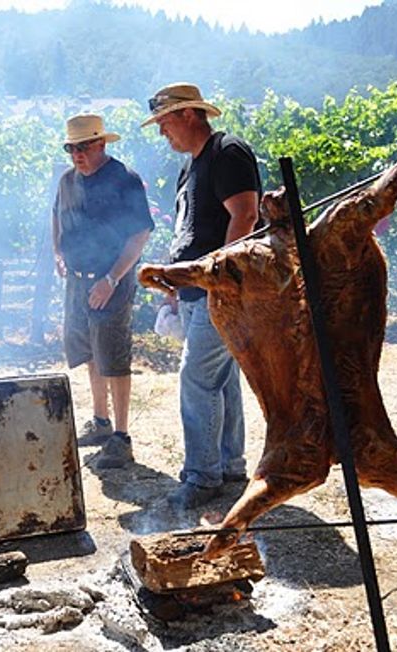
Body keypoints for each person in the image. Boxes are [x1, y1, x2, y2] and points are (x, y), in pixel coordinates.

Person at [141, 83, 261, 507]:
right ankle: (229, 466)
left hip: (220, 291)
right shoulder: (190, 166)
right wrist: (174, 287)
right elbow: (188, 233)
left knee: (197, 377)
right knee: (221, 380)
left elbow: (245, 215)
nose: (162, 132)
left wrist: (220, 279)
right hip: (196, 292)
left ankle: (203, 476)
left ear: (189, 115)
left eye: (164, 122)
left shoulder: (227, 152)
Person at [52, 113, 154, 469]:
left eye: (83, 147)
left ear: (101, 143)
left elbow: (139, 234)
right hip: (77, 281)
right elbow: (56, 216)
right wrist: (58, 253)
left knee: (113, 356)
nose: (77, 155)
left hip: (111, 281)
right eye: (71, 149)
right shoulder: (67, 181)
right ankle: (100, 422)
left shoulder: (124, 180)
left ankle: (121, 438)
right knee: (89, 351)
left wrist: (111, 279)